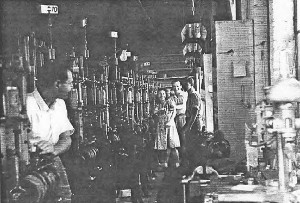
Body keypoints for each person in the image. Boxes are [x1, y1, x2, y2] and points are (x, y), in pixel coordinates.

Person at [26, 61, 74, 203]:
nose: (72, 88)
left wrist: (54, 150)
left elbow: (67, 138)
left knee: (64, 198)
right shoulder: (27, 104)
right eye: (70, 83)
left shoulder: (60, 104)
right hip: (29, 164)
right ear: (57, 84)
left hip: (51, 160)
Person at [181, 77, 206, 169]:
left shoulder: (194, 95)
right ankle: (192, 167)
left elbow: (194, 112)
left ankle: (196, 167)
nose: (185, 86)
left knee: (194, 146)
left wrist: (189, 126)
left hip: (195, 123)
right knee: (190, 146)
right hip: (191, 121)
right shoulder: (189, 95)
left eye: (186, 84)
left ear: (191, 84)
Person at [152, 88, 180, 168]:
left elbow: (174, 111)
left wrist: (171, 121)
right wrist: (158, 111)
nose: (162, 95)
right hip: (161, 125)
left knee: (172, 144)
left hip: (169, 124)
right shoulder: (158, 105)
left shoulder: (169, 102)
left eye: (163, 93)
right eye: (160, 94)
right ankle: (165, 163)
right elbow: (154, 112)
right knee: (164, 146)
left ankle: (177, 163)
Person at [171, 80, 188, 163]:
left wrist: (174, 107)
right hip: (176, 119)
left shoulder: (184, 95)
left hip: (182, 118)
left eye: (177, 86)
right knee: (178, 140)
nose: (176, 88)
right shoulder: (173, 97)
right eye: (174, 87)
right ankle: (180, 160)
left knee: (183, 139)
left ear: (181, 86)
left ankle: (185, 160)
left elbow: (182, 106)